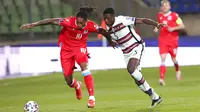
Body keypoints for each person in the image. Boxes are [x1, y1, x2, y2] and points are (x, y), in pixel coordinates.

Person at [20, 6, 116, 108]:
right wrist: (32, 25)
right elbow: (51, 21)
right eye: (77, 22)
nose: (79, 25)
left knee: (84, 67)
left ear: (86, 22)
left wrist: (110, 41)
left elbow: (103, 32)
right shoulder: (68, 21)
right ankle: (76, 85)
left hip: (80, 47)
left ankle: (91, 98)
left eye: (81, 23)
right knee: (68, 81)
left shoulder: (90, 25)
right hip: (66, 50)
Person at [103, 7, 164, 108]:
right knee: (136, 79)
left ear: (113, 16)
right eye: (104, 19)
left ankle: (153, 93)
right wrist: (110, 42)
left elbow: (142, 20)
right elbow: (107, 35)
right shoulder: (107, 27)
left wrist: (156, 24)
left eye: (108, 18)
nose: (106, 21)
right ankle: (155, 97)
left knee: (131, 69)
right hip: (126, 53)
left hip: (137, 46)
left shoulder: (122, 20)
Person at [154, 0, 185, 86]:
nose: (165, 7)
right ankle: (161, 79)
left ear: (169, 7)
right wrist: (156, 28)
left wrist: (173, 28)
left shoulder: (175, 15)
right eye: (163, 6)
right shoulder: (159, 15)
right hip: (163, 40)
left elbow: (182, 25)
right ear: (161, 7)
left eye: (166, 6)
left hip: (173, 40)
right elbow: (158, 24)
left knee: (174, 59)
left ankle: (178, 70)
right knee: (163, 58)